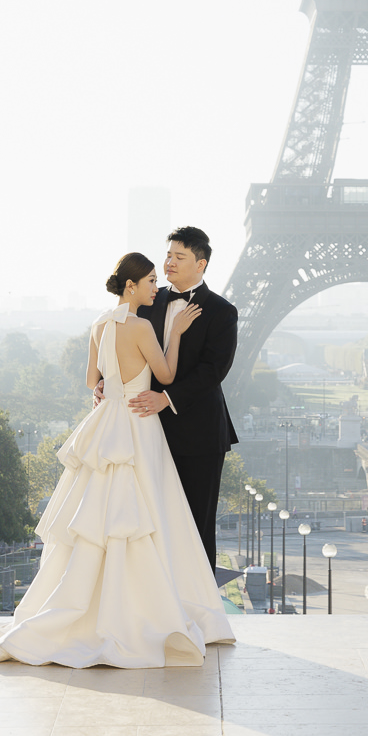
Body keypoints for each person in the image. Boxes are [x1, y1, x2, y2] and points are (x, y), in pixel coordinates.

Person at [0, 252, 233, 668]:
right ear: (132, 286)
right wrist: (174, 333)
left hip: (106, 423)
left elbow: (92, 381)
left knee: (97, 518)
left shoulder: (100, 324)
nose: (157, 288)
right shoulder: (141, 326)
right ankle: (143, 608)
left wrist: (108, 388)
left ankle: (88, 609)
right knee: (146, 515)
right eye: (151, 281)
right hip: (139, 426)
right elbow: (168, 376)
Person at [96, 225, 239, 571]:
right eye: (168, 255)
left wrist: (167, 398)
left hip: (198, 436)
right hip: (143, 431)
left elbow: (213, 370)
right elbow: (117, 342)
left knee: (195, 525)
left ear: (201, 264)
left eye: (179, 257)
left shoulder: (222, 312)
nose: (169, 263)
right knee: (146, 523)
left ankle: (200, 609)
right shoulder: (145, 299)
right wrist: (104, 381)